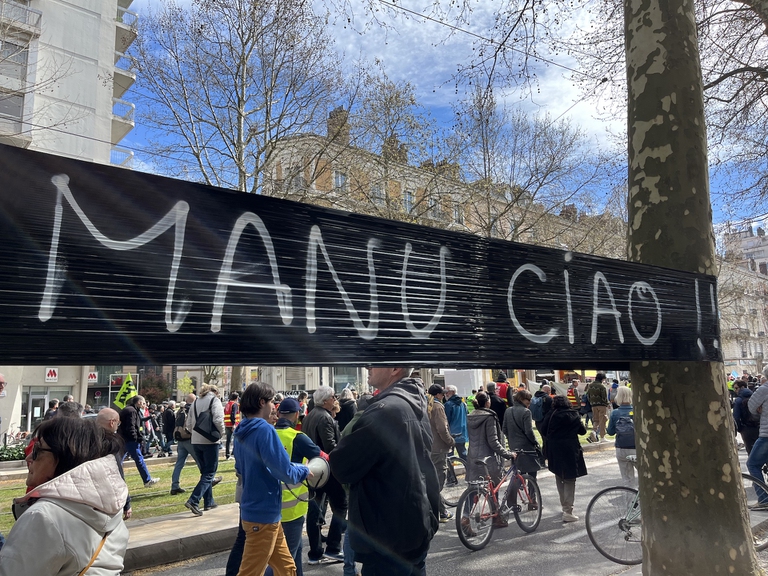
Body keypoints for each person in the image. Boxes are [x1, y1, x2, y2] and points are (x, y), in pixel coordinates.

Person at [331, 367, 439, 576]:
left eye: (374, 362)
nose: (367, 367)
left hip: (388, 538)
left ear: (395, 369)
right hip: (414, 527)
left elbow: (342, 466)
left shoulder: (384, 410)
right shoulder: (413, 401)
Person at [0, 417, 129, 575]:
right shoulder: (110, 509)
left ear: (65, 455)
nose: (28, 458)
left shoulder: (43, 517)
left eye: (37, 450)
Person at [234, 382, 310, 576]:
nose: (274, 407)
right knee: (251, 573)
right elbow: (283, 470)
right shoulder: (265, 429)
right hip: (264, 514)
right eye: (271, 402)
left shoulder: (241, 430)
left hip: (258, 511)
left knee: (287, 569)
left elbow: (241, 469)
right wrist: (304, 470)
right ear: (262, 402)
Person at [302, 385, 347, 564]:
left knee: (314, 509)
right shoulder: (324, 417)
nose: (335, 399)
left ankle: (315, 552)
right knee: (341, 505)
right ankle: (334, 548)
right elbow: (330, 446)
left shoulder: (310, 415)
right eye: (333, 397)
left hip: (313, 467)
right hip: (328, 468)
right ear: (326, 400)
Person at [466, 391, 516, 520]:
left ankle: (465, 517)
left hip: (473, 456)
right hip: (488, 458)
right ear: (488, 402)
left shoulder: (470, 416)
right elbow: (493, 441)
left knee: (473, 489)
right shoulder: (489, 417)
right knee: (494, 487)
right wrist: (507, 454)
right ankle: (496, 517)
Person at [540, 395, 588, 522]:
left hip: (554, 449)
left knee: (559, 476)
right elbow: (582, 432)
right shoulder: (574, 415)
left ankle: (564, 507)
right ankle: (568, 510)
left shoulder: (551, 414)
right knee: (570, 479)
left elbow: (543, 430)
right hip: (570, 449)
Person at [185, 384, 226, 516]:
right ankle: (194, 500)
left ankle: (209, 501)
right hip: (210, 441)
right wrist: (221, 433)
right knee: (209, 473)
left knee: (205, 473)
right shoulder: (215, 401)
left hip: (196, 441)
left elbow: (189, 424)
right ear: (214, 391)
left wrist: (195, 434)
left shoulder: (195, 402)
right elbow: (219, 420)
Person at [96, 407, 133, 520]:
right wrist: (127, 503)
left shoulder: (84, 440)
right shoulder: (112, 443)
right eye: (118, 423)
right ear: (112, 422)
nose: (118, 426)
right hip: (109, 498)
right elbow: (117, 473)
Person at [427, 384, 455, 523]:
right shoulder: (438, 407)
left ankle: (437, 509)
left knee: (430, 478)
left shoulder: (425, 404)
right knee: (438, 480)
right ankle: (441, 511)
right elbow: (442, 429)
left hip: (428, 446)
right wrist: (451, 441)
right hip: (438, 448)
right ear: (438, 395)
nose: (444, 396)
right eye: (442, 394)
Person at [118, 395, 159, 487]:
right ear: (139, 402)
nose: (145, 406)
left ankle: (116, 480)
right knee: (139, 459)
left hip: (124, 439)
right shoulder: (132, 411)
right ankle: (147, 480)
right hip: (130, 440)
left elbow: (137, 421)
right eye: (144, 403)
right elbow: (131, 426)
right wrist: (136, 438)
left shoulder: (130, 410)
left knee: (119, 460)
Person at [503, 389, 541, 478]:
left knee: (518, 473)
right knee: (532, 473)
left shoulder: (508, 410)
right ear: (522, 399)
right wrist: (535, 442)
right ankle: (532, 491)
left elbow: (504, 429)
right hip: (526, 447)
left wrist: (511, 438)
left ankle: (516, 489)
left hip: (513, 446)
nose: (530, 402)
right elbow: (529, 431)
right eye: (528, 399)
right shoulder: (526, 412)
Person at [170, 393, 201, 495]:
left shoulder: (180, 410)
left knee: (179, 463)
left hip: (180, 439)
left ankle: (175, 485)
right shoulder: (192, 409)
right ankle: (209, 479)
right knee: (199, 460)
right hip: (189, 438)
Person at [606, 386, 636, 487]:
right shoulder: (636, 411)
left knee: (627, 479)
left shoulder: (615, 413)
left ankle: (630, 502)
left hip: (621, 447)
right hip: (636, 447)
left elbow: (610, 432)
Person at [747, 367, 768, 503]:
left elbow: (751, 406)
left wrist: (759, 411)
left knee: (752, 464)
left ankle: (764, 498)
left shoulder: (764, 389)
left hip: (766, 434)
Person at [734, 380, 760, 454]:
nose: (735, 391)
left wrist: (740, 429)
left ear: (742, 387)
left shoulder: (738, 400)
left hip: (747, 428)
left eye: (736, 388)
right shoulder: (755, 397)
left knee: (751, 453)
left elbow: (736, 417)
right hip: (759, 426)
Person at [443, 385, 468, 460]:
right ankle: (469, 469)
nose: (445, 394)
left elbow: (446, 420)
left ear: (453, 392)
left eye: (447, 392)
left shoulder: (448, 404)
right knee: (463, 454)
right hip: (462, 432)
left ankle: (451, 471)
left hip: (452, 433)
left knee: (450, 456)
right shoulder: (463, 404)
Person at [586, 373, 610, 442]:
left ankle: (593, 431)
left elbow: (588, 395)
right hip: (602, 405)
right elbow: (604, 398)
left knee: (596, 420)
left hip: (593, 405)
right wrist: (607, 404)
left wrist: (592, 403)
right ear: (602, 379)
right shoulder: (602, 387)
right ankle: (602, 437)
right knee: (603, 420)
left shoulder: (590, 386)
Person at [224, 392, 241, 460]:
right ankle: (234, 453)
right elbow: (233, 414)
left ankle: (227, 454)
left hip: (227, 424)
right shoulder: (235, 405)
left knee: (228, 440)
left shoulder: (227, 404)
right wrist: (234, 424)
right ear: (236, 398)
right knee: (236, 439)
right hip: (233, 424)